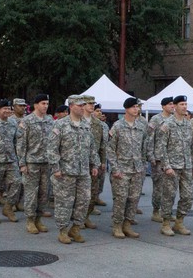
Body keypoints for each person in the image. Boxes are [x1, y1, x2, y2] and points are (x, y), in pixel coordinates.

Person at [47, 95, 100, 244]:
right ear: (71, 106)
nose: (83, 108)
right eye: (79, 105)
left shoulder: (85, 125)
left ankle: (75, 228)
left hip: (83, 171)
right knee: (64, 202)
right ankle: (63, 230)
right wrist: (56, 167)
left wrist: (95, 164)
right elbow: (52, 149)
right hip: (65, 172)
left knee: (84, 200)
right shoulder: (60, 125)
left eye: (84, 105)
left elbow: (92, 147)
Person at [107, 97, 148, 239]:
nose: (136, 109)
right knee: (121, 198)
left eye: (137, 107)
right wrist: (115, 168)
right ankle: (117, 225)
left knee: (134, 198)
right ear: (127, 109)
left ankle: (127, 224)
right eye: (133, 107)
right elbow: (110, 149)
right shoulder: (118, 126)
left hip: (137, 169)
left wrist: (143, 165)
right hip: (122, 170)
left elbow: (144, 148)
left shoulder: (141, 127)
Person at [157, 95, 193, 236]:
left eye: (186, 104)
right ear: (175, 107)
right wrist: (166, 166)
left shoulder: (188, 124)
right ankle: (166, 223)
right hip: (172, 167)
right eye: (181, 104)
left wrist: (192, 165)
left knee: (188, 196)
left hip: (186, 166)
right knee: (169, 196)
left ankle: (179, 222)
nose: (184, 107)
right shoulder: (167, 124)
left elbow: (192, 147)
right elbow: (161, 147)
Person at [16, 94, 53, 234]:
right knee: (31, 193)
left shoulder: (50, 121)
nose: (45, 106)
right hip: (31, 162)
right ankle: (30, 220)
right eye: (43, 103)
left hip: (46, 162)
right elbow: (21, 144)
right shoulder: (27, 121)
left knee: (44, 193)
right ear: (36, 105)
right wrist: (22, 163)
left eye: (47, 103)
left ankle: (39, 219)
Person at [146, 97, 174, 223]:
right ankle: (156, 211)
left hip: (172, 158)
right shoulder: (156, 119)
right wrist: (150, 156)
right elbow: (149, 138)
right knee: (158, 187)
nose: (172, 106)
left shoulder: (174, 119)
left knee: (170, 188)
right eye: (169, 104)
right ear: (163, 106)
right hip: (158, 158)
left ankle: (166, 211)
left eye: (173, 104)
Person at [82, 95, 108, 230]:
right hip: (77, 164)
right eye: (89, 103)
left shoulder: (98, 124)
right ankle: (77, 219)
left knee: (93, 193)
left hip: (93, 163)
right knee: (79, 194)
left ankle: (86, 216)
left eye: (93, 103)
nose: (92, 106)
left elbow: (103, 145)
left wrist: (103, 161)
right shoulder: (76, 121)